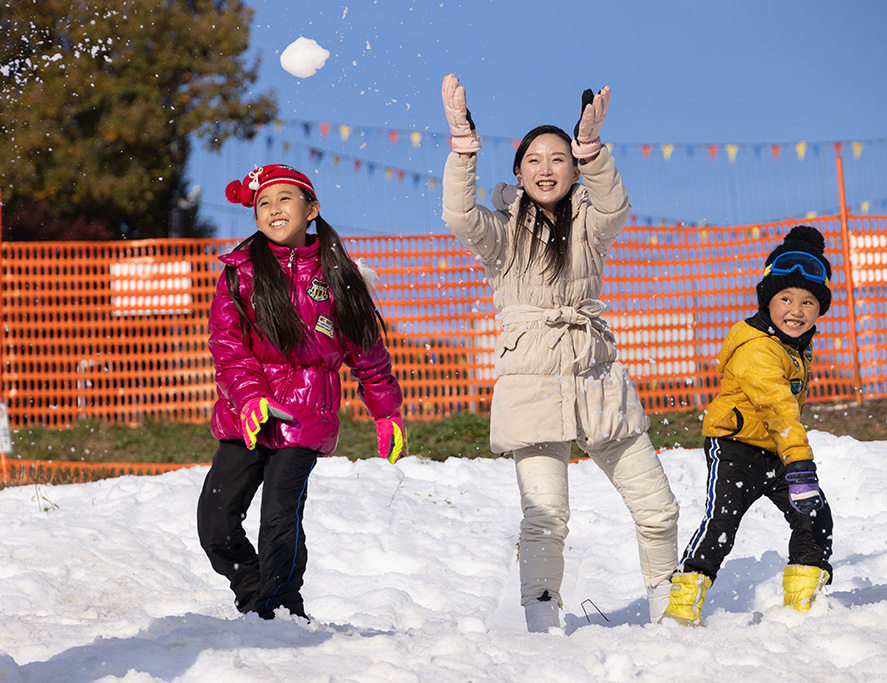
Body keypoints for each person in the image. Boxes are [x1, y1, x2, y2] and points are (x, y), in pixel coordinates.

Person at [440, 74, 679, 632]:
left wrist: (592, 150)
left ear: (573, 170)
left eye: (559, 159)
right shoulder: (501, 234)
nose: (546, 169)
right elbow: (459, 216)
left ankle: (670, 611)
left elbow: (615, 207)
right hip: (531, 385)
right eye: (533, 161)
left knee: (657, 507)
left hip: (598, 382)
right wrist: (463, 148)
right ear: (518, 173)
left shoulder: (591, 225)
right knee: (545, 517)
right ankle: (542, 625)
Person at [197, 163, 405, 620]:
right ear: (255, 217)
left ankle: (281, 609)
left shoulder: (339, 276)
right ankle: (255, 593)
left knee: (279, 518)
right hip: (246, 417)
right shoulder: (239, 274)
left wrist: (386, 412)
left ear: (311, 209)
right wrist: (251, 398)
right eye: (264, 203)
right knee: (216, 521)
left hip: (305, 415)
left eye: (284, 198)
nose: (274, 209)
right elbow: (227, 346)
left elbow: (368, 353)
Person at [661, 224, 835, 627]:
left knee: (813, 517)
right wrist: (800, 465)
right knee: (721, 524)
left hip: (775, 450)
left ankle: (802, 604)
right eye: (786, 298)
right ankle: (681, 608)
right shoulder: (758, 348)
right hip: (735, 448)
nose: (796, 310)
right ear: (766, 301)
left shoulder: (794, 345)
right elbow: (778, 407)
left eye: (808, 302)